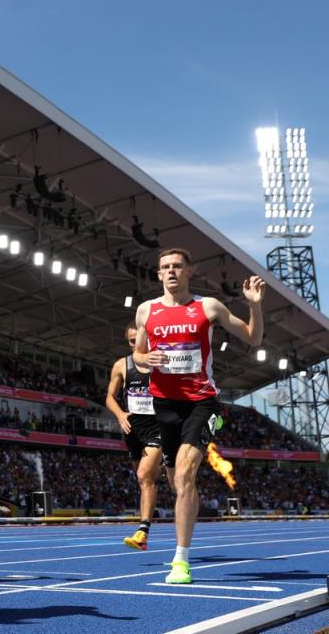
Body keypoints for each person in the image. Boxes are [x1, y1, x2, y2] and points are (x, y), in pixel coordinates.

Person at [133, 248, 265, 584]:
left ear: (190, 271)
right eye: (165, 267)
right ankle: (189, 503)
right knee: (177, 482)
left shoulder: (207, 307)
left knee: (186, 472)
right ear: (159, 274)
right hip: (164, 404)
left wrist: (254, 304)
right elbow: (138, 354)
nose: (172, 271)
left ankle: (181, 560)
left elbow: (253, 337)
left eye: (178, 266)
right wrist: (147, 361)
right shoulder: (146, 311)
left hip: (201, 402)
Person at [105, 322, 166, 551]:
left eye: (140, 339)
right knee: (145, 480)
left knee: (143, 475)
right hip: (132, 429)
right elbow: (110, 397)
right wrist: (120, 414)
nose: (136, 343)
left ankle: (143, 531)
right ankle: (162, 473)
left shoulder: (160, 364)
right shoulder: (122, 365)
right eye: (131, 340)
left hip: (157, 426)